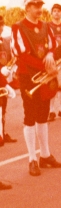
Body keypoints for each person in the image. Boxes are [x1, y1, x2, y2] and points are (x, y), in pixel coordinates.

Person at [11, 0, 61, 176]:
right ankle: (32, 159)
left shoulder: (45, 26)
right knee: (30, 116)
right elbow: (22, 55)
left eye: (40, 5)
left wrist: (50, 55)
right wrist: (46, 66)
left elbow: (52, 45)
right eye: (35, 5)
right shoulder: (18, 27)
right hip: (29, 76)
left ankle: (46, 155)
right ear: (27, 8)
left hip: (45, 75)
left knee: (43, 115)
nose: (39, 8)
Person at [0, 15, 17, 145]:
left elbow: (9, 58)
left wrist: (11, 68)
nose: (0, 27)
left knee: (3, 108)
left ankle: (2, 132)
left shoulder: (4, 41)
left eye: (1, 24)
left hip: (3, 80)